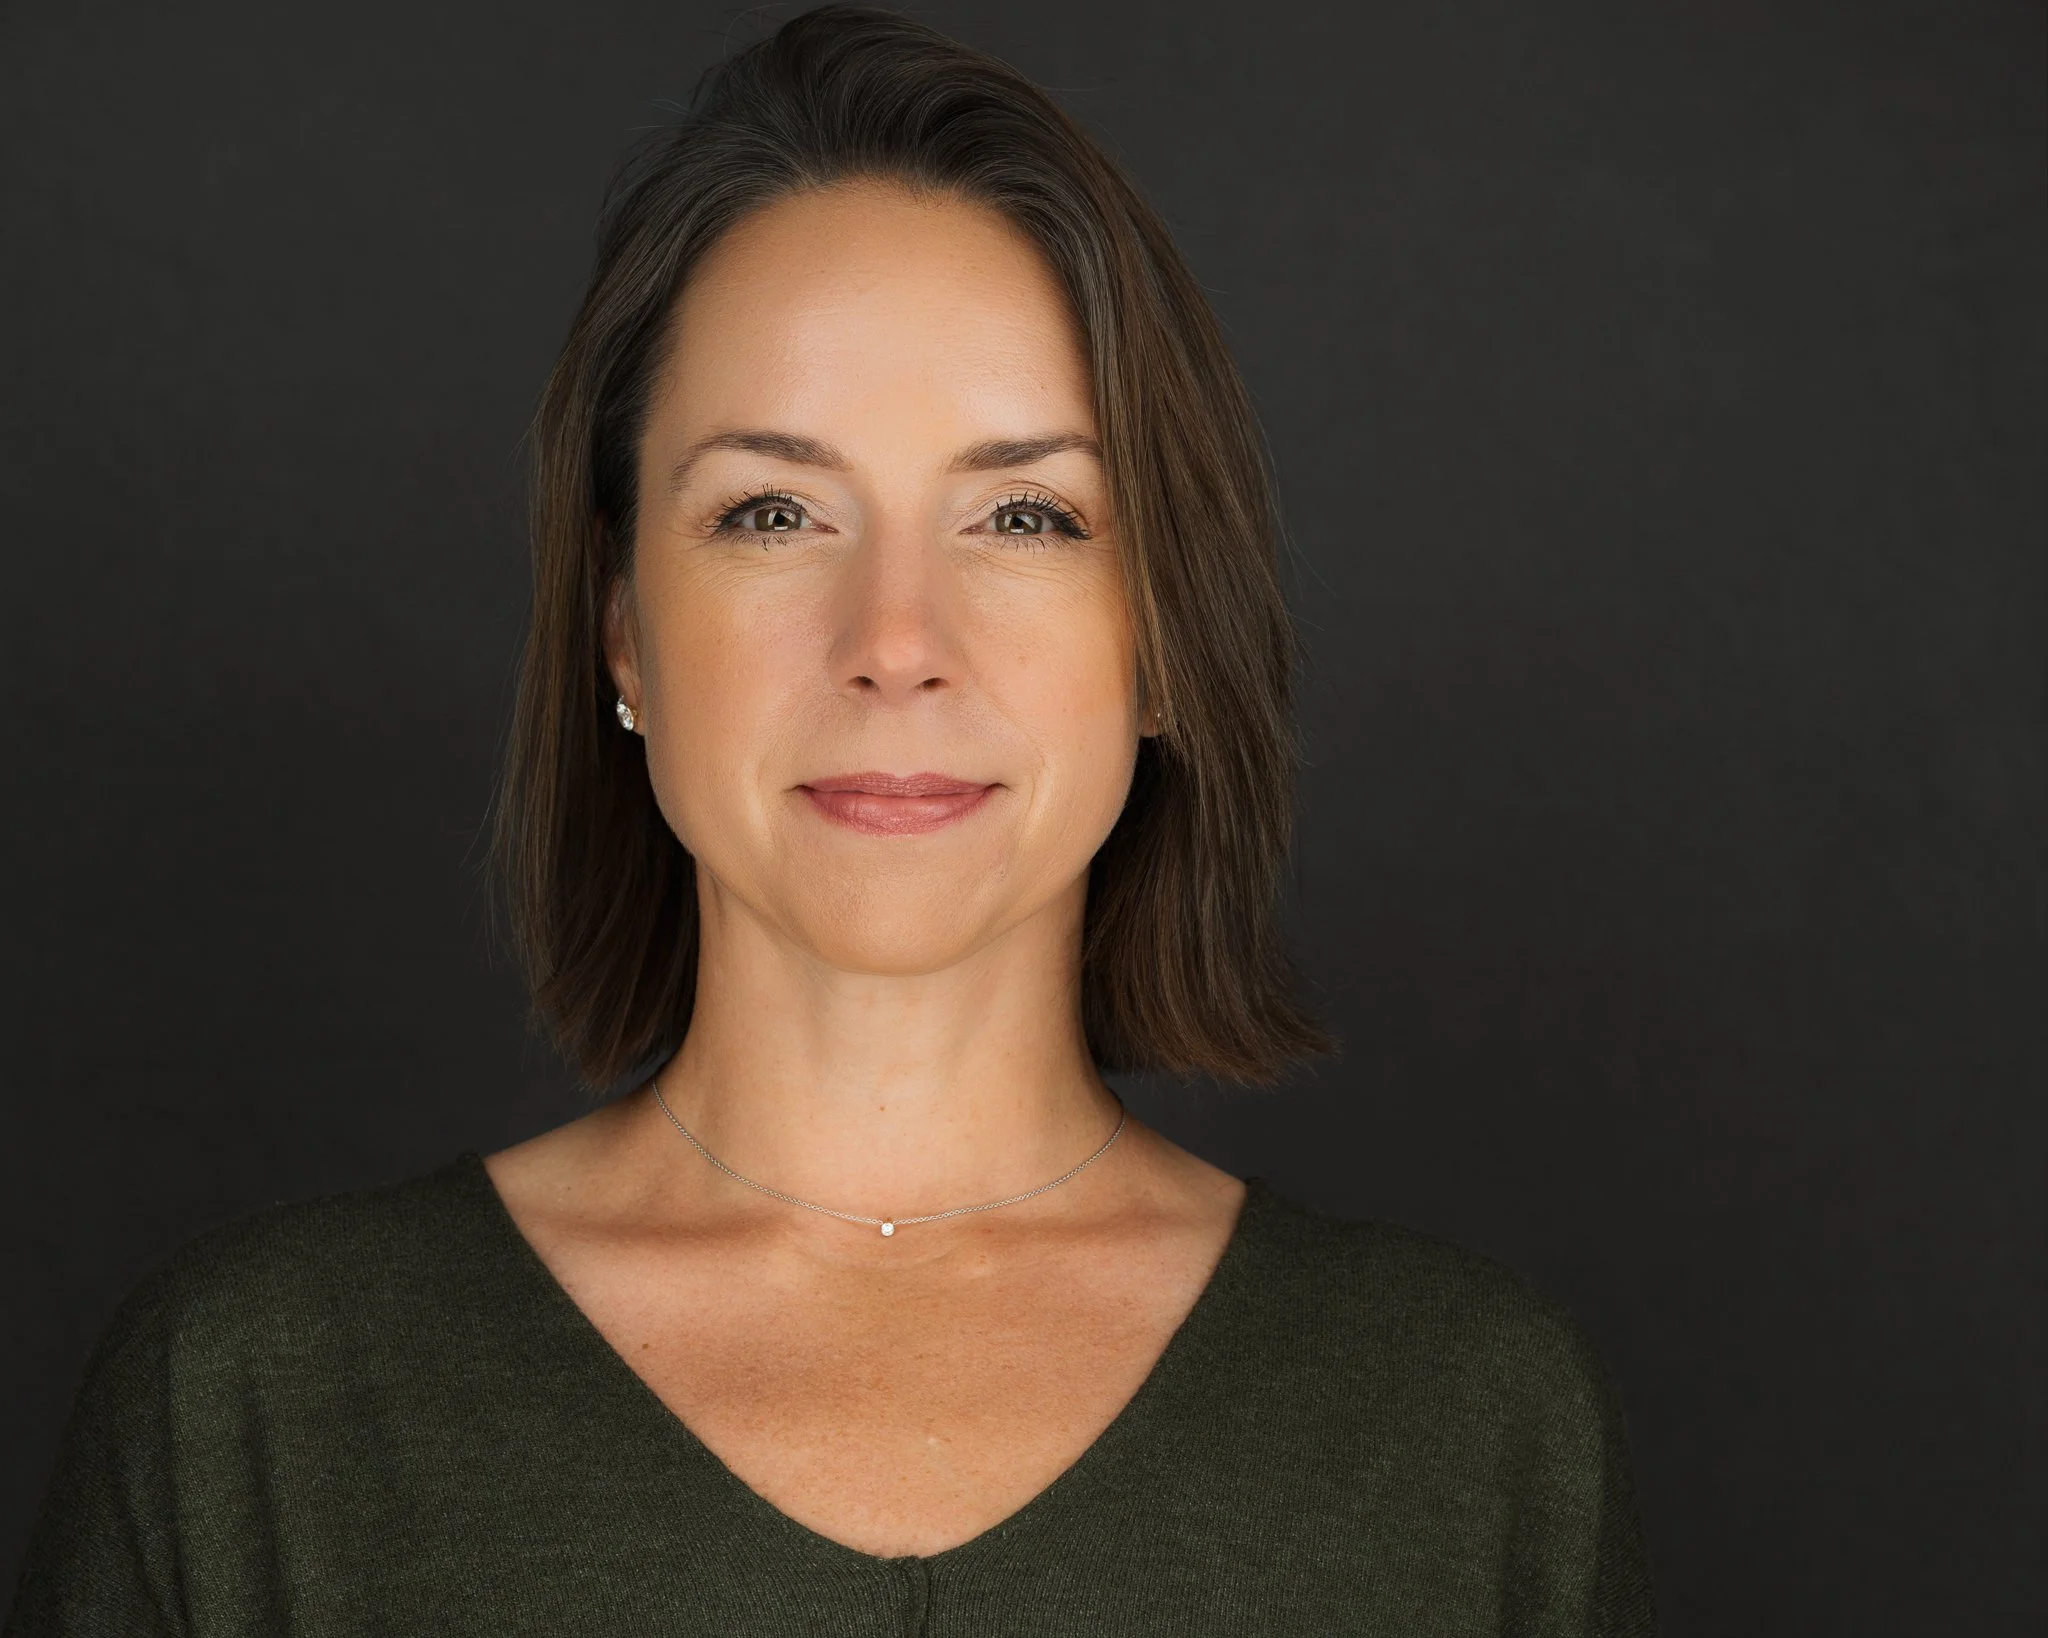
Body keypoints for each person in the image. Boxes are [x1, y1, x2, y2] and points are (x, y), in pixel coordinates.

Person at [5, 8, 1657, 1634]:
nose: (896, 641)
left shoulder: (1472, 1430)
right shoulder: (253, 1407)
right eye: (774, 509)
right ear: (623, 630)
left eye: (1027, 514)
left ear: (1165, 637)